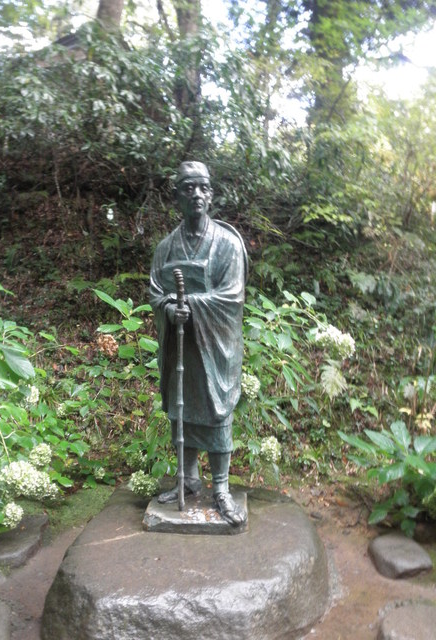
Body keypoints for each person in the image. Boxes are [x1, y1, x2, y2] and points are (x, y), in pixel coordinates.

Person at [149, 161, 248, 526]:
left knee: (215, 411)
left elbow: (232, 296)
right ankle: (188, 479)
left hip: (214, 345)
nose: (196, 194)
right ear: (177, 196)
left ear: (211, 194)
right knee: (182, 407)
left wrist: (190, 304)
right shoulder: (165, 248)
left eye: (202, 187)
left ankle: (220, 487)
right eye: (188, 188)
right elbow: (155, 292)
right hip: (182, 346)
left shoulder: (227, 245)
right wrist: (168, 309)